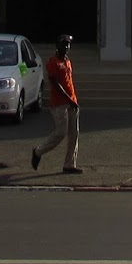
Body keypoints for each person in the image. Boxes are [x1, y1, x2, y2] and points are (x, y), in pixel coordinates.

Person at [31, 34, 81, 175]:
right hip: (59, 104)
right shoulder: (52, 63)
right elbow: (56, 85)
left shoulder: (68, 62)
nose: (66, 47)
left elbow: (69, 83)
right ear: (57, 46)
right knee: (61, 132)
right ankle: (38, 151)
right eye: (63, 44)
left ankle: (69, 164)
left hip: (72, 102)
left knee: (74, 134)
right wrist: (69, 100)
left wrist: (74, 100)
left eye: (68, 44)